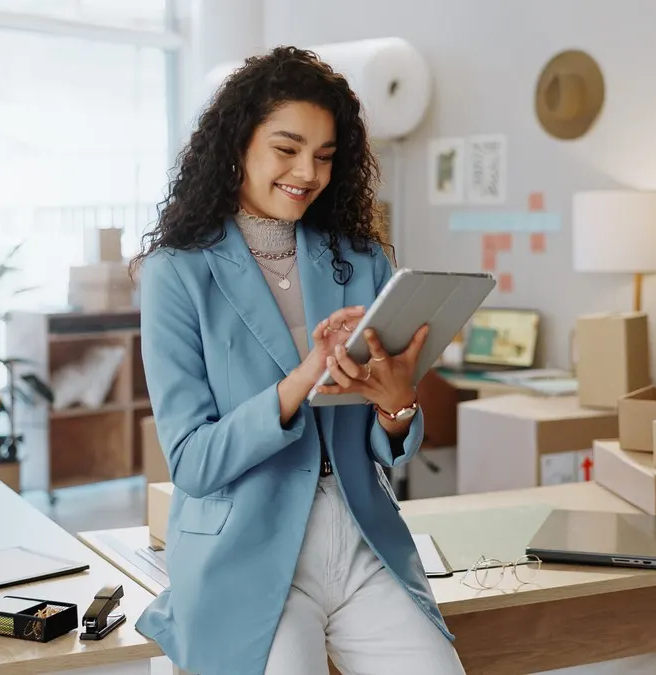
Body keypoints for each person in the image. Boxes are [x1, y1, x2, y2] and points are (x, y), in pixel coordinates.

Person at [131, 46, 467, 675]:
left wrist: (397, 404)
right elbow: (194, 463)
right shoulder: (176, 273)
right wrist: (304, 377)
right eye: (286, 149)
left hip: (360, 537)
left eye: (324, 155)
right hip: (246, 551)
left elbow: (384, 437)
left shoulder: (361, 260)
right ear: (239, 144)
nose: (307, 172)